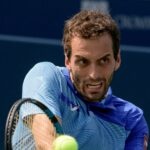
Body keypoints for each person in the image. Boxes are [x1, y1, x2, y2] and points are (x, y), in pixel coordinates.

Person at [22, 10, 149, 150]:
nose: (93, 75)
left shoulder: (132, 121)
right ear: (67, 60)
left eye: (103, 60)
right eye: (83, 61)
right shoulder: (45, 76)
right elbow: (44, 141)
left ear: (117, 60)